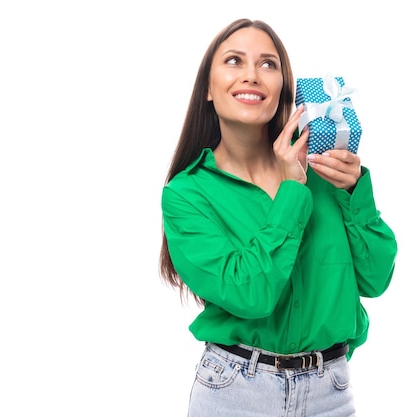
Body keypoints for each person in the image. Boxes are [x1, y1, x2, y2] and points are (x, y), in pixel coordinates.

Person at [159, 18, 398, 417]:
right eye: (234, 61)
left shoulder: (324, 173)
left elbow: (376, 278)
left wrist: (354, 191)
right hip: (235, 393)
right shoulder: (187, 194)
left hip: (331, 394)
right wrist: (291, 192)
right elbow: (249, 294)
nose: (251, 75)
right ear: (207, 88)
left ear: (283, 89)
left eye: (268, 64)